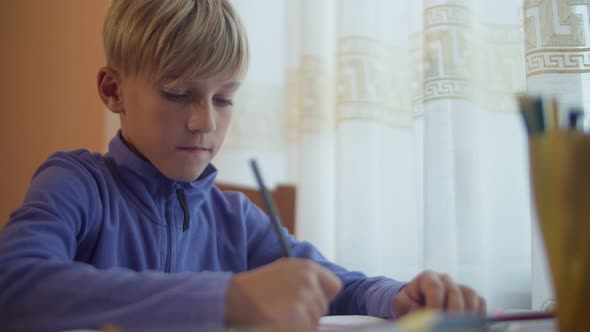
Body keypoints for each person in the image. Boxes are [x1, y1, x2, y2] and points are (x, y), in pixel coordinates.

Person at [0, 0, 486, 331]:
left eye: (225, 98)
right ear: (113, 91)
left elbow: (337, 285)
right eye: (177, 93)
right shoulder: (76, 183)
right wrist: (226, 298)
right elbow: (15, 286)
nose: (204, 121)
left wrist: (398, 294)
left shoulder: (236, 218)